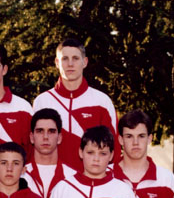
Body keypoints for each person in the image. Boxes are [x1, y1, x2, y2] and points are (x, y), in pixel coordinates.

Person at [33, 38, 118, 171]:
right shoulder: (42, 101)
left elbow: (114, 148)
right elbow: (34, 147)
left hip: (91, 180)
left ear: (84, 62)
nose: (70, 64)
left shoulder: (102, 101)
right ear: (57, 62)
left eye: (75, 58)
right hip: (53, 179)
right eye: (65, 59)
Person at [112, 109, 174, 198]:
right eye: (129, 136)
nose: (135, 142)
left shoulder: (166, 179)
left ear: (149, 138)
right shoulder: (106, 175)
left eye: (141, 136)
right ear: (121, 139)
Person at [24, 108, 76, 198]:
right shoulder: (20, 175)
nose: (45, 137)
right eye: (40, 131)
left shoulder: (73, 177)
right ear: (32, 137)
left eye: (51, 131)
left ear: (59, 138)